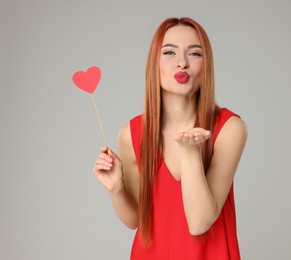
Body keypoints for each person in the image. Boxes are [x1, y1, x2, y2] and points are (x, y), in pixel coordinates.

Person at [93, 17, 247, 259]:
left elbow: (199, 222)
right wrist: (116, 190)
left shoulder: (229, 128)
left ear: (206, 65)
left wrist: (189, 151)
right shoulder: (131, 134)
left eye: (195, 54)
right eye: (169, 53)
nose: (182, 63)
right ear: (154, 64)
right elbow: (134, 220)